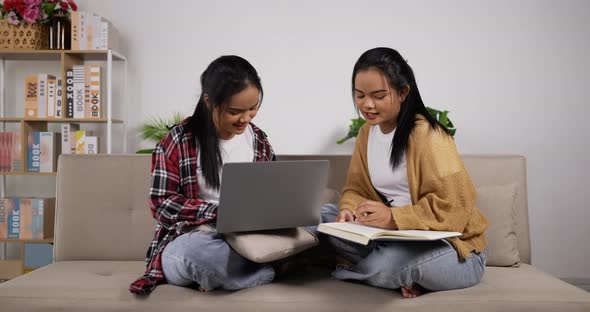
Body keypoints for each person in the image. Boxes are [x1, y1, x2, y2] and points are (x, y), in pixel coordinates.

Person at [321, 47, 489, 298]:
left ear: (403, 92)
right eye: (360, 95)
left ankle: (346, 268)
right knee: (321, 217)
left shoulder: (429, 136)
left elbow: (456, 207)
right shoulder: (367, 133)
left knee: (389, 264)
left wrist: (392, 217)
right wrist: (348, 209)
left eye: (378, 96)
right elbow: (357, 189)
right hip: (393, 239)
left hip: (450, 249)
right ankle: (390, 271)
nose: (367, 105)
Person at [129, 55, 277, 295]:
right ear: (209, 102)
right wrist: (218, 213)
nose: (246, 119)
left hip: (250, 238)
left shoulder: (258, 140)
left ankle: (241, 271)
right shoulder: (178, 140)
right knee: (198, 254)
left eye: (253, 108)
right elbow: (161, 204)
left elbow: (272, 190)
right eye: (235, 111)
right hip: (196, 239)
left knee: (325, 216)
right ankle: (272, 268)